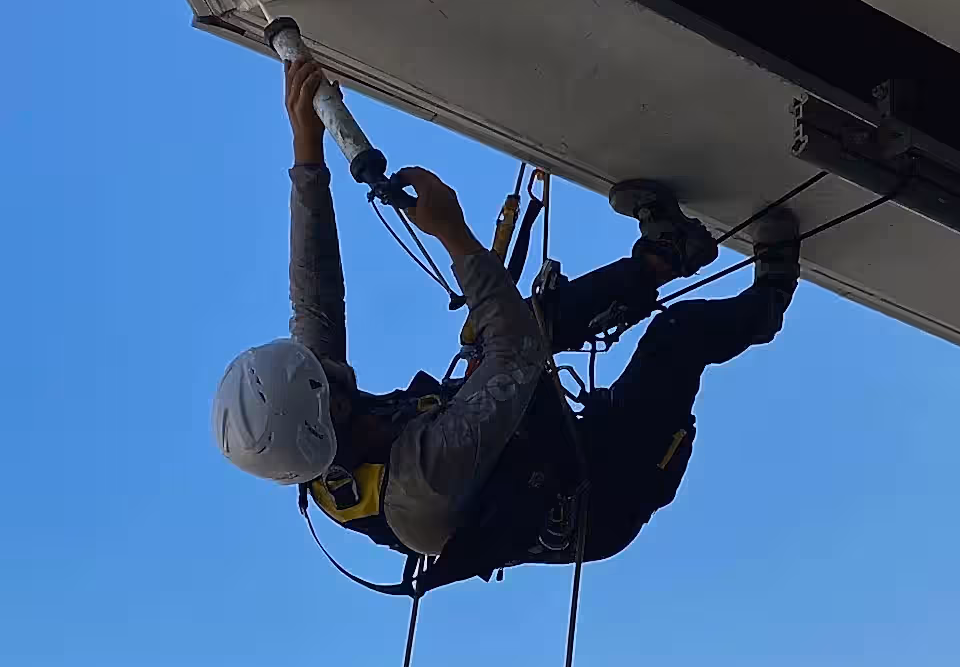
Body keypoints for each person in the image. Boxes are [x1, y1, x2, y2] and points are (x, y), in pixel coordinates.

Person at [214, 58, 801, 590]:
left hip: (525, 441)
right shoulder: (418, 486)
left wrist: (307, 146)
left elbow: (315, 297)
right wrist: (454, 234)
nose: (334, 374)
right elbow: (516, 352)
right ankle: (771, 296)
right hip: (609, 482)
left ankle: (668, 253)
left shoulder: (313, 422)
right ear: (328, 419)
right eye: (328, 383)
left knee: (524, 319)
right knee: (674, 339)